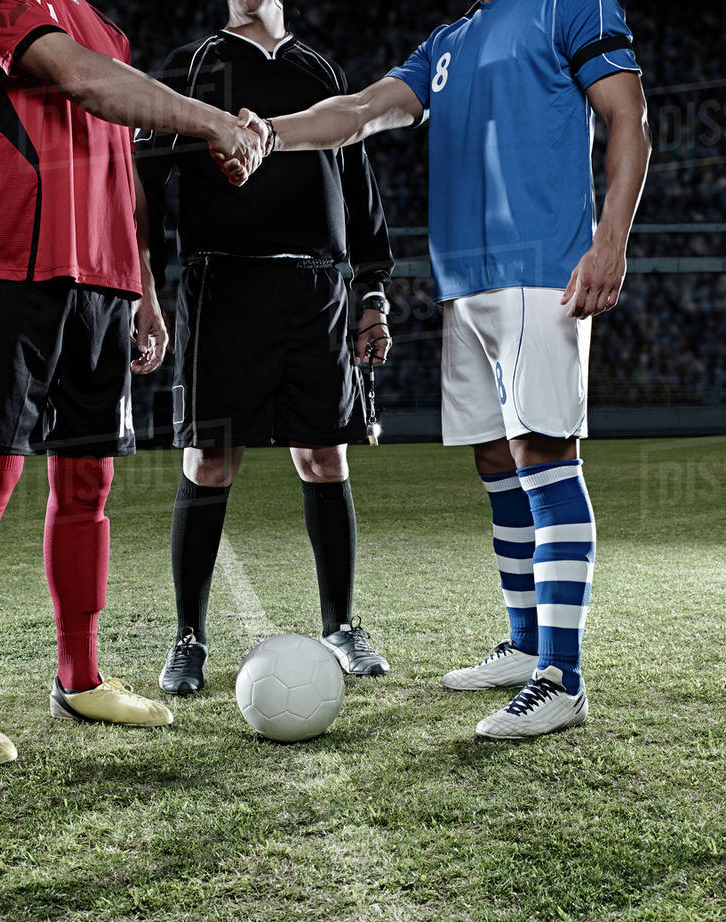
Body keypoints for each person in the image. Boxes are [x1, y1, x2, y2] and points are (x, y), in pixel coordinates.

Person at [239, 0, 651, 738]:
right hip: (465, 281)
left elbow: (630, 118)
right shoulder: (446, 40)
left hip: (541, 271)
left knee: (545, 456)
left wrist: (610, 240)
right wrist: (272, 132)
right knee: (497, 460)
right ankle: (526, 645)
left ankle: (563, 676)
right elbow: (361, 111)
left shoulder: (570, 4)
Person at [0, 0, 267, 765]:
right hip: (9, 267)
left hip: (103, 286)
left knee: (88, 487)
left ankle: (79, 678)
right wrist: (214, 121)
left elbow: (121, 169)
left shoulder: (104, 25)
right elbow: (82, 84)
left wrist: (143, 289)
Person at [137, 0, 395, 696]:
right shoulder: (190, 67)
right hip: (220, 285)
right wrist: (146, 292)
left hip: (317, 291)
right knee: (210, 457)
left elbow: (359, 190)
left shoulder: (320, 69)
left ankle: (340, 625)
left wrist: (370, 293)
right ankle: (188, 638)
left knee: (324, 455)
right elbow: (141, 193)